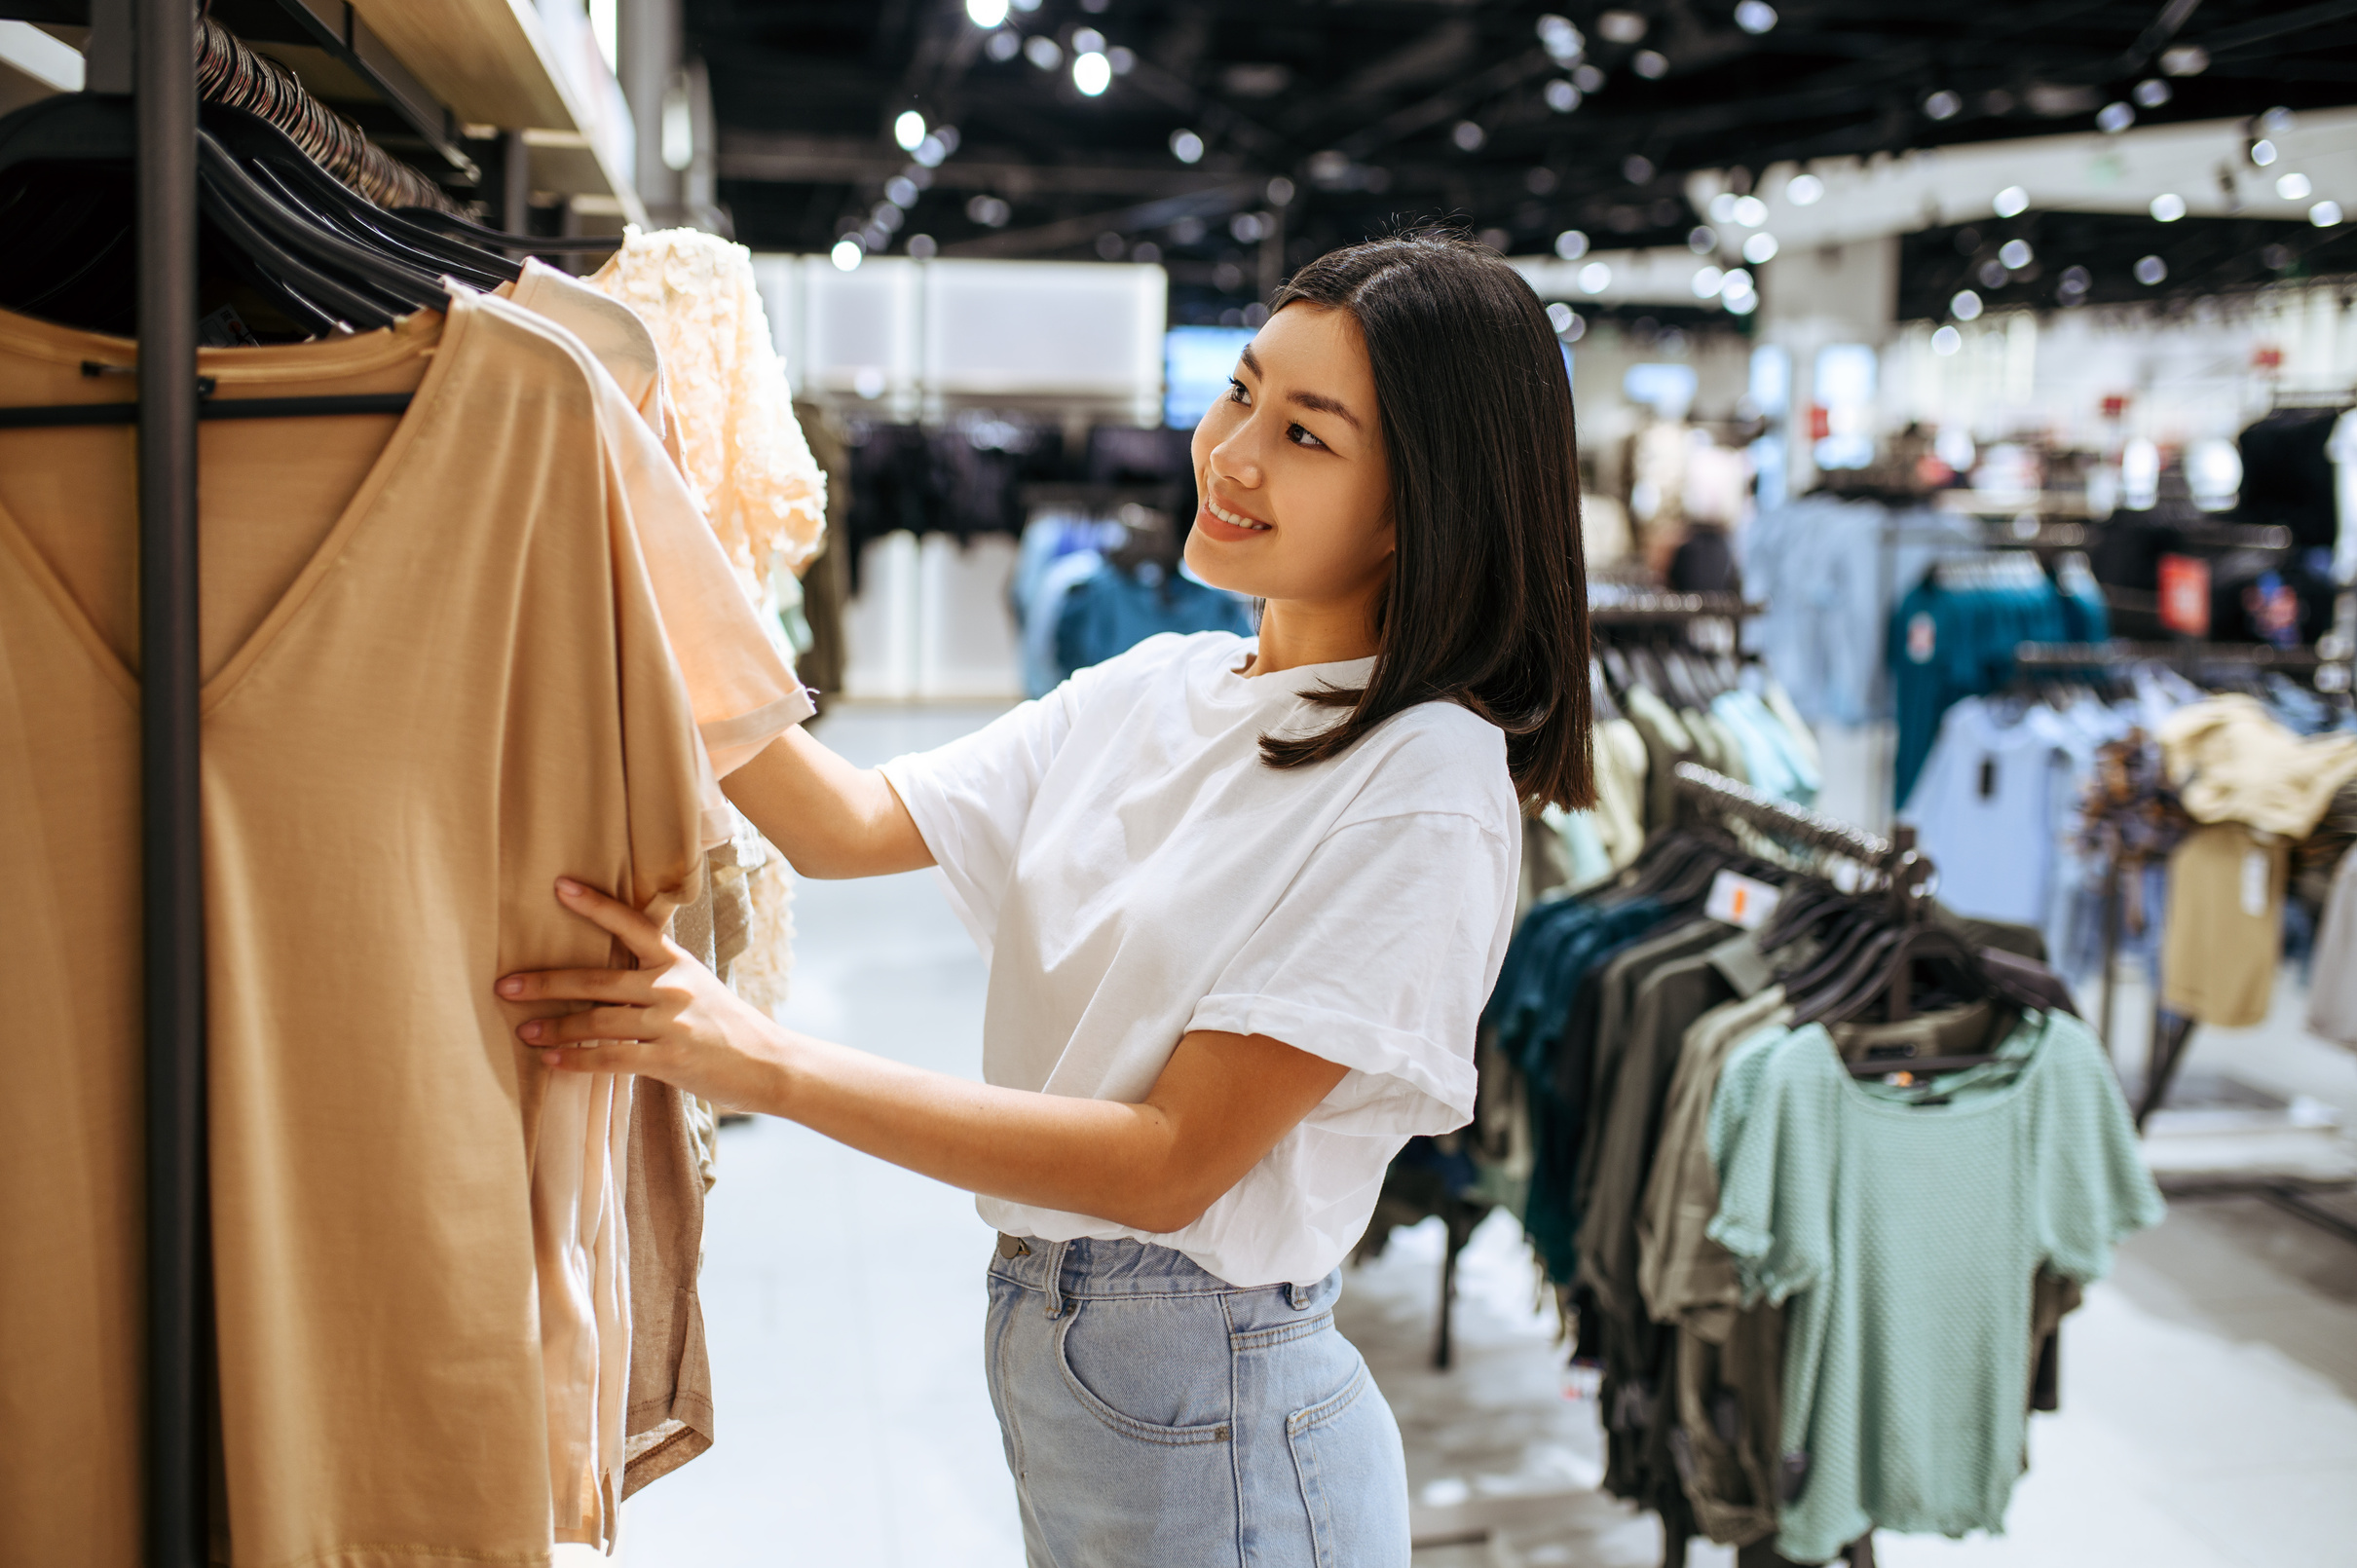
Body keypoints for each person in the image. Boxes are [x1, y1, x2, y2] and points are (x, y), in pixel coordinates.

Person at [498, 233, 1593, 1566]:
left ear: (1426, 497)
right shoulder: (1162, 684)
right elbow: (835, 821)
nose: (1231, 454)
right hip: (1086, 1364)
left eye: (1307, 435)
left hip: (1222, 1407)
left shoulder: (1425, 774)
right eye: (1242, 391)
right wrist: (628, 516)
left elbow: (1170, 1157)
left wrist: (763, 1060)